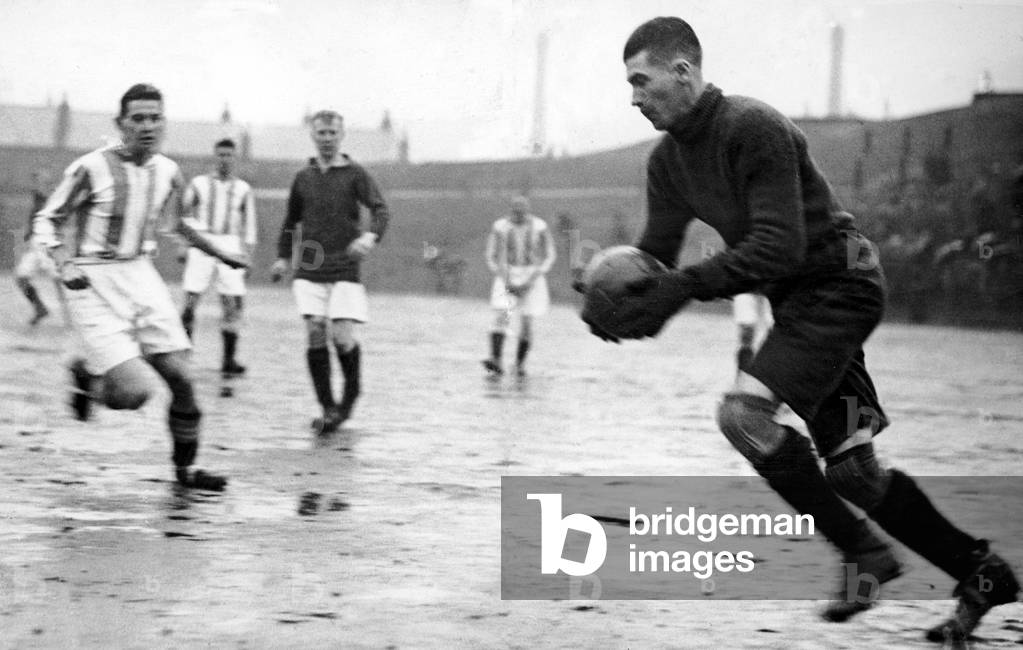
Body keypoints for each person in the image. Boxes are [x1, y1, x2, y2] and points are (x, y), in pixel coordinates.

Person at [582, 17, 1019, 641]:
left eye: (641, 81)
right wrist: (617, 300)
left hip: (840, 285)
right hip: (800, 305)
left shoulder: (751, 128)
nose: (633, 98)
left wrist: (679, 289)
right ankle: (984, 576)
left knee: (743, 417)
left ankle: (865, 555)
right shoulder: (667, 165)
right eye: (629, 86)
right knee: (852, 473)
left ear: (684, 72)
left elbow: (778, 248)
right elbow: (656, 263)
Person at [32, 83, 247, 490]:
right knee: (134, 393)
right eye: (138, 118)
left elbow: (177, 224)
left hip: (141, 275)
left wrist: (220, 252)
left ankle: (186, 473)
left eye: (155, 117)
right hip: (92, 280)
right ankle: (89, 381)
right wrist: (63, 262)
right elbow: (48, 220)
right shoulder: (91, 167)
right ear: (120, 123)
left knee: (182, 379)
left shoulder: (167, 170)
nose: (148, 126)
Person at [270, 110, 390, 433]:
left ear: (342, 135)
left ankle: (349, 399)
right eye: (321, 133)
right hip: (310, 265)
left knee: (342, 337)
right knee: (314, 331)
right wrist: (283, 258)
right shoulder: (303, 177)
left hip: (344, 265)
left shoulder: (355, 174)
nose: (327, 139)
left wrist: (370, 236)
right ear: (313, 135)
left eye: (332, 133)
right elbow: (290, 221)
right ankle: (327, 407)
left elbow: (380, 209)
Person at [178, 138, 257, 376]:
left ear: (235, 158)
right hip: (203, 243)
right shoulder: (199, 184)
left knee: (231, 304)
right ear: (214, 156)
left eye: (229, 155)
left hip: (230, 244)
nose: (224, 159)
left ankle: (229, 360)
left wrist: (248, 255)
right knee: (191, 302)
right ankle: (183, 356)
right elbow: (183, 214)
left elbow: (250, 225)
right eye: (220, 154)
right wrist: (184, 244)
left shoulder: (243, 189)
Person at [482, 194, 555, 377]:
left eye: (522, 208)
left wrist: (534, 277)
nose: (519, 212)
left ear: (528, 209)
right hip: (507, 273)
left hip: (532, 275)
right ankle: (496, 359)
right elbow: (491, 254)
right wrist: (503, 277)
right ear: (511, 209)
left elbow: (549, 254)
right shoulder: (500, 227)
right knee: (501, 315)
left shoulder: (539, 226)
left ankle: (519, 364)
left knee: (526, 321)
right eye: (515, 209)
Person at [14, 169, 61, 326]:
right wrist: (28, 232)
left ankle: (74, 320)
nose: (36, 183)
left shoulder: (54, 196)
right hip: (36, 245)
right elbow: (33, 216)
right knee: (21, 278)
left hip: (49, 244)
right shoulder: (37, 197)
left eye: (40, 180)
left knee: (60, 282)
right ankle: (40, 308)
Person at [732, 292, 772, 372]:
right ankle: (743, 374)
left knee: (774, 331)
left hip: (773, 290)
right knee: (747, 333)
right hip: (747, 290)